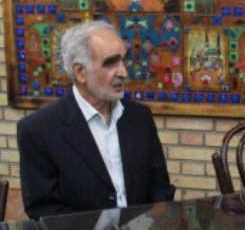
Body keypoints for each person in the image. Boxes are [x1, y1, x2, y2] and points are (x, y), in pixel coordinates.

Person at [17, 20, 175, 219]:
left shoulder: (140, 118)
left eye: (123, 60)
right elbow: (43, 209)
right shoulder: (38, 130)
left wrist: (151, 226)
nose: (123, 72)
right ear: (80, 73)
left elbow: (160, 187)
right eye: (111, 63)